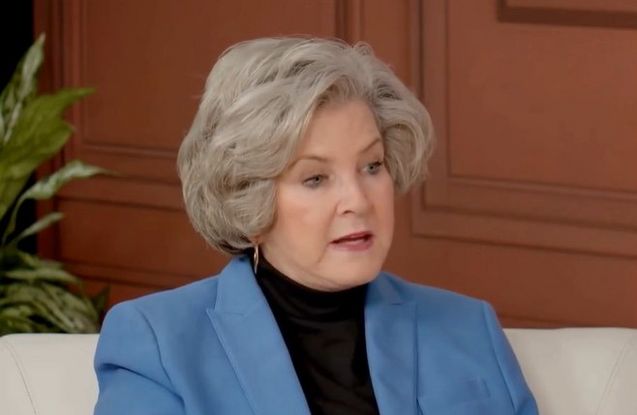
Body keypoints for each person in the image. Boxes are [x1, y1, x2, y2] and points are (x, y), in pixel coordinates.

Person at [93, 37, 538, 415]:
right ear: (249, 199)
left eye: (372, 165)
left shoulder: (469, 327)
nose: (358, 201)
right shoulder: (158, 344)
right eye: (315, 178)